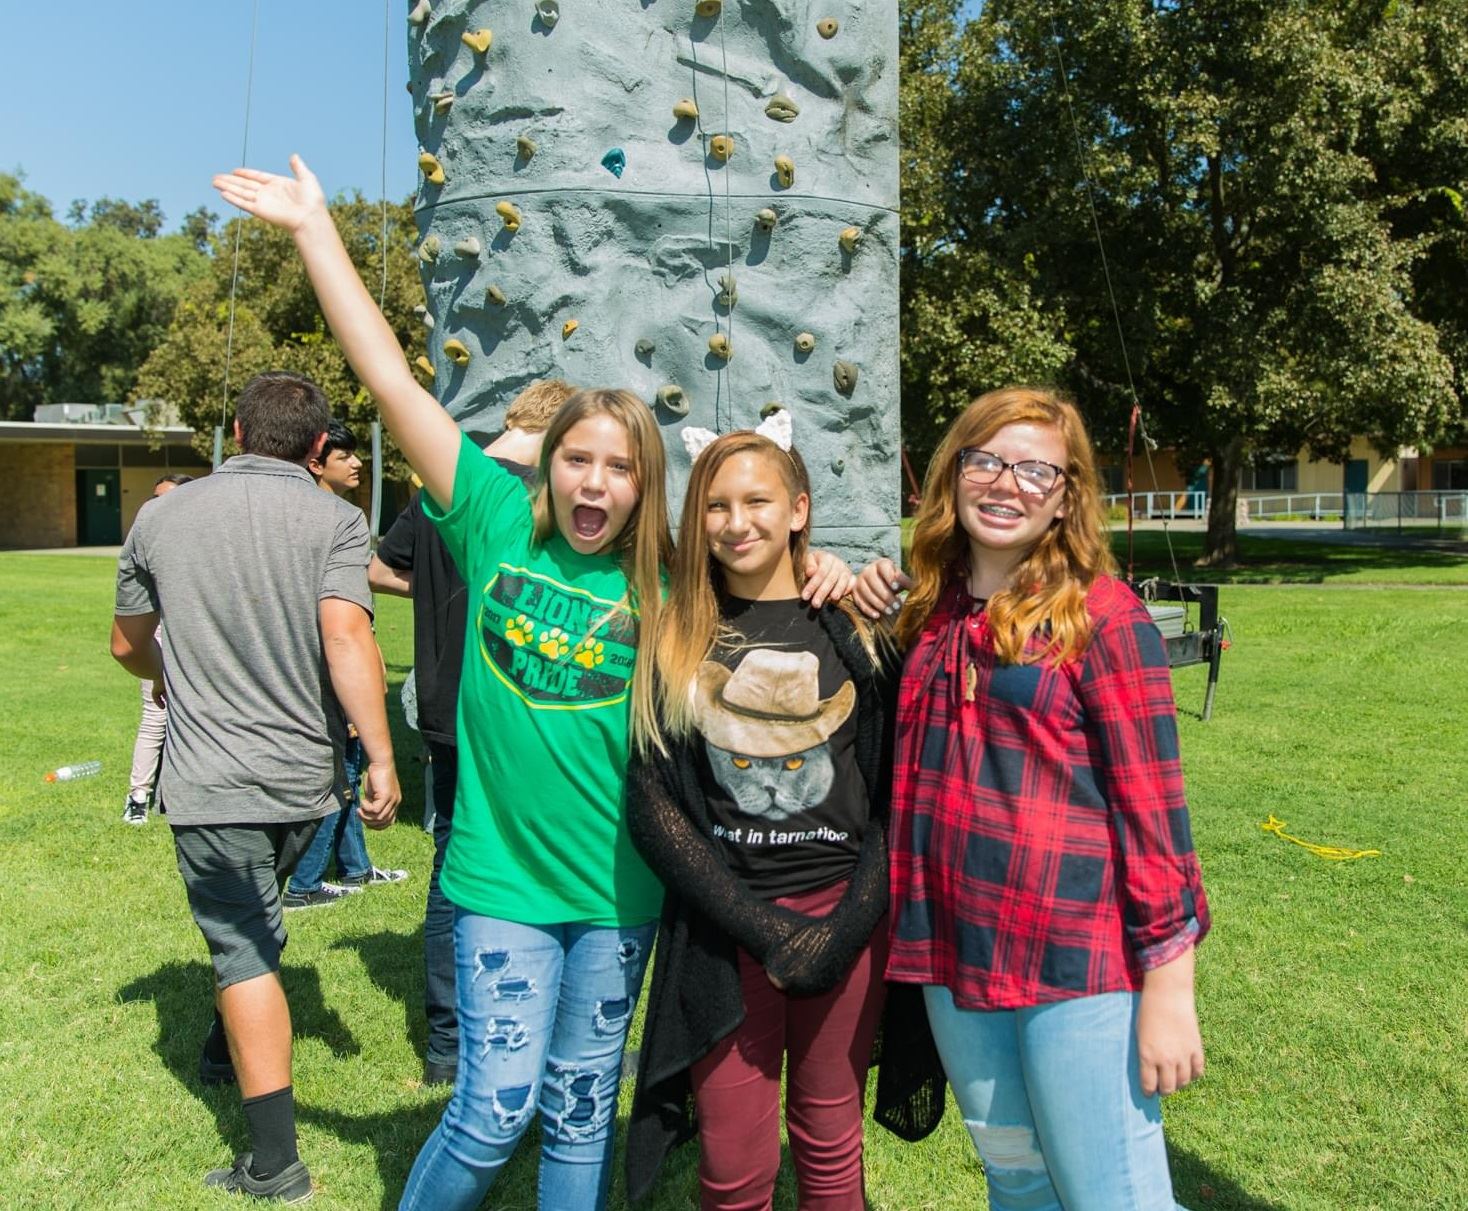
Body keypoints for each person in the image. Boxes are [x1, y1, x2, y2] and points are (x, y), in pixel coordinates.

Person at [852, 386, 1210, 1211]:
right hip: (953, 960)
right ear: (954, 472)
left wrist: (1170, 989)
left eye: (1035, 470)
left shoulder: (1105, 618)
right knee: (1015, 1180)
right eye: (987, 460)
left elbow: (1156, 821)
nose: (1007, 484)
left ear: (1067, 494)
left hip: (1075, 969)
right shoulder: (927, 613)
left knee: (1112, 1196)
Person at [624, 414, 945, 1209]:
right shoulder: (673, 635)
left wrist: (840, 931)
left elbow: (897, 798)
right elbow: (652, 802)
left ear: (799, 508)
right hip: (725, 934)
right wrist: (763, 929)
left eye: (758, 501)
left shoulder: (859, 629)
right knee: (734, 1164)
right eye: (716, 505)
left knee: (831, 1144)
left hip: (847, 921)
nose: (738, 523)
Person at [111, 370, 401, 1202]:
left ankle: (274, 1162)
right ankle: (218, 1047)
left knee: (241, 945)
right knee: (253, 926)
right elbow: (347, 635)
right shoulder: (338, 516)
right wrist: (379, 758)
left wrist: (172, 673)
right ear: (319, 448)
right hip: (306, 784)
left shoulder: (160, 514)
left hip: (213, 779)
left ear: (234, 432)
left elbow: (128, 645)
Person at [369, 378, 576, 1086]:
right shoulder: (524, 496)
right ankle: (525, 1033)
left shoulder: (442, 484)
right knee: (516, 866)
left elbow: (376, 566)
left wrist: (433, 586)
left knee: (450, 863)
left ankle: (448, 1043)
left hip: (440, 703)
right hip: (508, 710)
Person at [281, 419, 408, 908]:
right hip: (335, 672)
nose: (358, 463)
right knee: (340, 779)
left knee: (350, 775)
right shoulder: (332, 521)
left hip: (350, 660)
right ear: (316, 463)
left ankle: (355, 869)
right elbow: (339, 628)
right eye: (345, 457)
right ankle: (305, 883)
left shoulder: (332, 516)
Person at [121, 473, 193, 825]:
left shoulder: (201, 540)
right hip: (161, 636)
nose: (156, 505)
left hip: (199, 639)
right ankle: (138, 796)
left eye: (167, 497)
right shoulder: (147, 539)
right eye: (154, 497)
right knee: (155, 716)